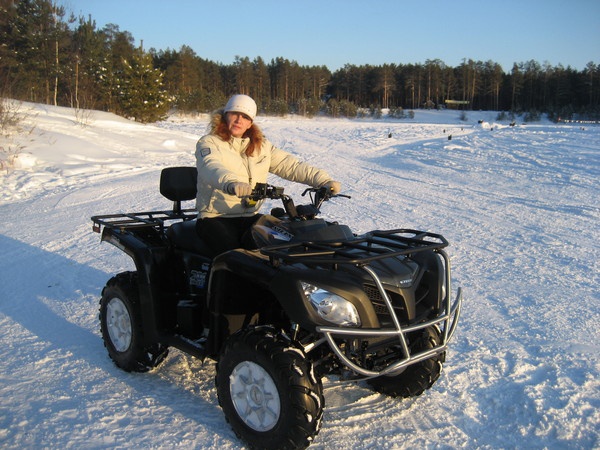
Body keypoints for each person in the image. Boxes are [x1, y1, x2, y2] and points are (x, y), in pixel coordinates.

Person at [195, 94, 341, 256]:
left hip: (250, 216)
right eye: (234, 113)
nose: (238, 120)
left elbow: (291, 165)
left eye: (245, 116)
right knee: (236, 258)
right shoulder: (209, 142)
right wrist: (231, 183)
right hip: (214, 218)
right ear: (225, 115)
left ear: (250, 123)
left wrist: (324, 180)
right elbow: (211, 167)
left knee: (283, 245)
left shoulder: (261, 146)